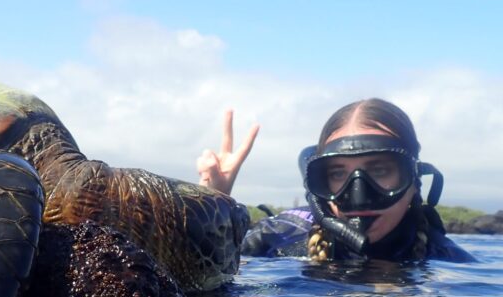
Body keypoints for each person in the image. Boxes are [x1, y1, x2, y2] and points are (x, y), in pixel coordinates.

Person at [197, 99, 474, 263]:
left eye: (379, 171)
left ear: (414, 179)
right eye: (338, 174)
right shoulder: (280, 235)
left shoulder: (447, 260)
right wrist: (213, 207)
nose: (358, 195)